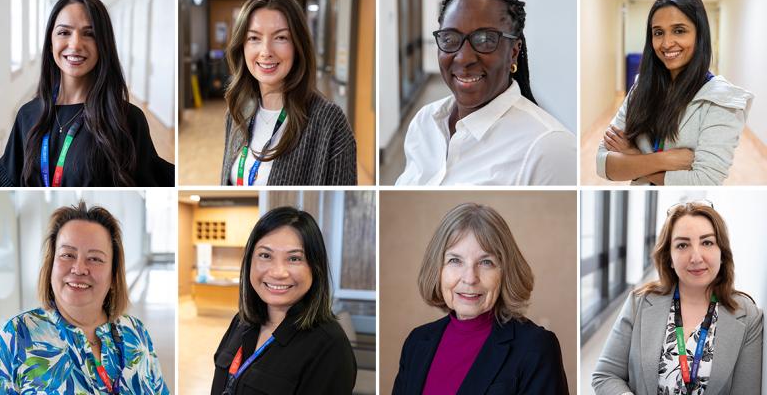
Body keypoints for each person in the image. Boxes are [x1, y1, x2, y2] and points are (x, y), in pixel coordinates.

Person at [396, 0, 575, 186]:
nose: (463, 58)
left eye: (486, 40)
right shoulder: (425, 122)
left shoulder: (549, 148)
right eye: (450, 38)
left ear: (514, 52)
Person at [0, 0, 173, 187]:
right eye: (64, 32)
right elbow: (8, 179)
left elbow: (153, 179)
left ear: (103, 45)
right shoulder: (28, 115)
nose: (75, 44)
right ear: (50, 43)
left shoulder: (127, 119)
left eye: (89, 34)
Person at [393, 203, 568, 394]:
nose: (470, 278)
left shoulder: (537, 347)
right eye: (455, 260)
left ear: (505, 272)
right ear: (438, 269)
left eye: (486, 262)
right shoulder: (416, 342)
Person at [592, 201, 763, 394]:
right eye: (682, 245)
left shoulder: (748, 317)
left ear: (722, 253)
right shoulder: (638, 303)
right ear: (669, 258)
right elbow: (605, 375)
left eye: (707, 242)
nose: (696, 257)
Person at [0, 202, 169, 393]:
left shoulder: (136, 332)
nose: (79, 268)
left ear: (113, 275)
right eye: (67, 255)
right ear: (51, 266)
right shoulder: (17, 335)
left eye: (95, 258)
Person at [596, 0, 753, 185]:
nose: (667, 43)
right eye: (658, 32)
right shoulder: (641, 88)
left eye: (679, 30)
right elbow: (603, 163)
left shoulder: (723, 101)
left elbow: (704, 181)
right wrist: (663, 160)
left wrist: (632, 158)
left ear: (700, 35)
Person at [211, 206, 356, 394]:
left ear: (315, 267)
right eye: (265, 255)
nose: (278, 272)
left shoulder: (330, 346)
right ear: (249, 262)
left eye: (294, 259)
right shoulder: (241, 322)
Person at [220, 0, 357, 186]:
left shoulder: (329, 123)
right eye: (254, 38)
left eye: (281, 37)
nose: (266, 51)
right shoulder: (237, 110)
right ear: (242, 46)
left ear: (298, 45)